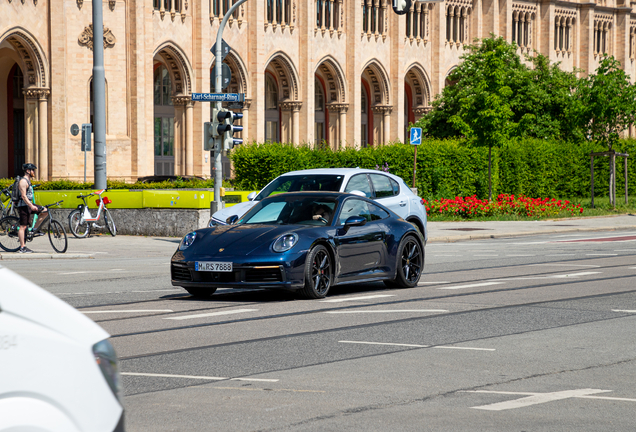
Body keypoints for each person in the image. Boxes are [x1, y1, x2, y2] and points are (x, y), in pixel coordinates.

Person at [16, 163, 46, 254]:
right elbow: (23, 196)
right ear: (28, 171)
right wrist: (31, 206)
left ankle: (34, 229)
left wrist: (31, 205)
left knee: (45, 211)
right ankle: (22, 247)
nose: (34, 172)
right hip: (24, 206)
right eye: (32, 170)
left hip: (29, 204)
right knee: (23, 226)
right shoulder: (23, 181)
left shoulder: (28, 181)